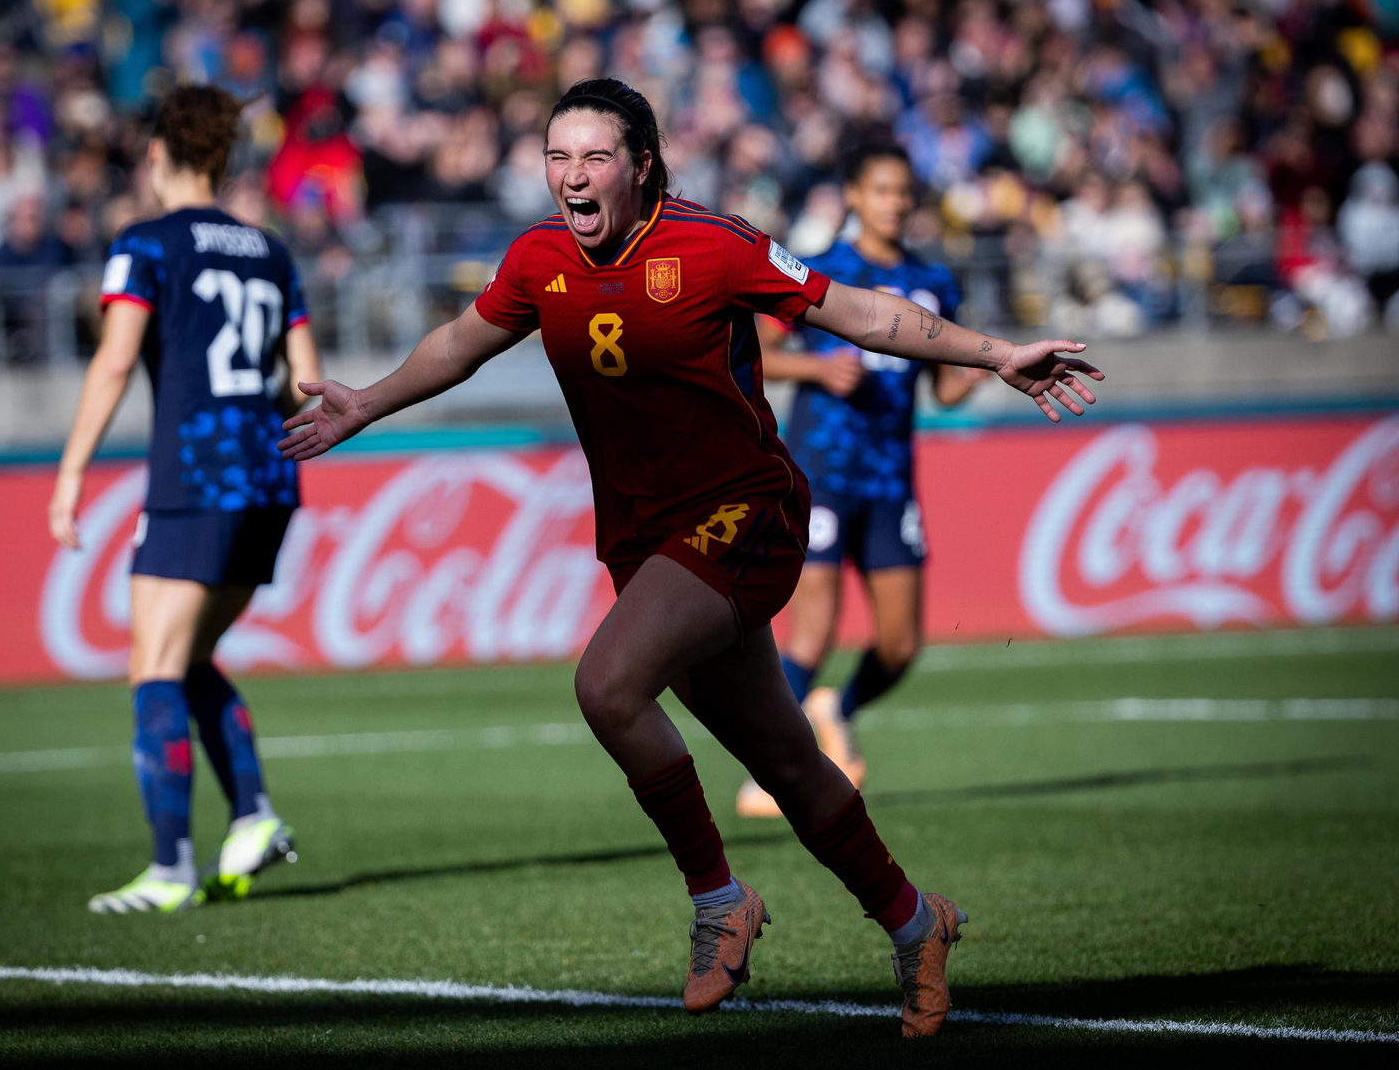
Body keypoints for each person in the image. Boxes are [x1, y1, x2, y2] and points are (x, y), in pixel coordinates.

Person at [278, 78, 1101, 1036]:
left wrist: (995, 352)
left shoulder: (714, 244)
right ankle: (919, 924)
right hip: (647, 539)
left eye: (593, 158)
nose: (571, 177)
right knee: (786, 759)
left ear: (641, 165)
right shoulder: (539, 258)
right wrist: (366, 402)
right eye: (557, 157)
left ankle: (719, 901)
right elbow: (461, 343)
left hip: (746, 514)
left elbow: (862, 315)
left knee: (608, 685)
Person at [48, 86, 322, 913]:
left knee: (154, 669)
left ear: (158, 154)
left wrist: (69, 475)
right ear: (225, 157)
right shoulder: (270, 250)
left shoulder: (143, 243)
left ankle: (169, 868)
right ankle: (252, 818)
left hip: (194, 475)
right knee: (189, 657)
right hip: (269, 473)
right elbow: (302, 382)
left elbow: (113, 362)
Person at [735, 137, 986, 819]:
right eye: (882, 190)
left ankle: (832, 710)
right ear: (853, 196)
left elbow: (944, 387)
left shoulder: (935, 283)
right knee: (811, 635)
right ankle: (771, 772)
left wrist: (994, 369)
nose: (896, 204)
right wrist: (816, 369)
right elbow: (754, 356)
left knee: (902, 645)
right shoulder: (822, 273)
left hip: (892, 482)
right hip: (822, 475)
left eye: (905, 192)